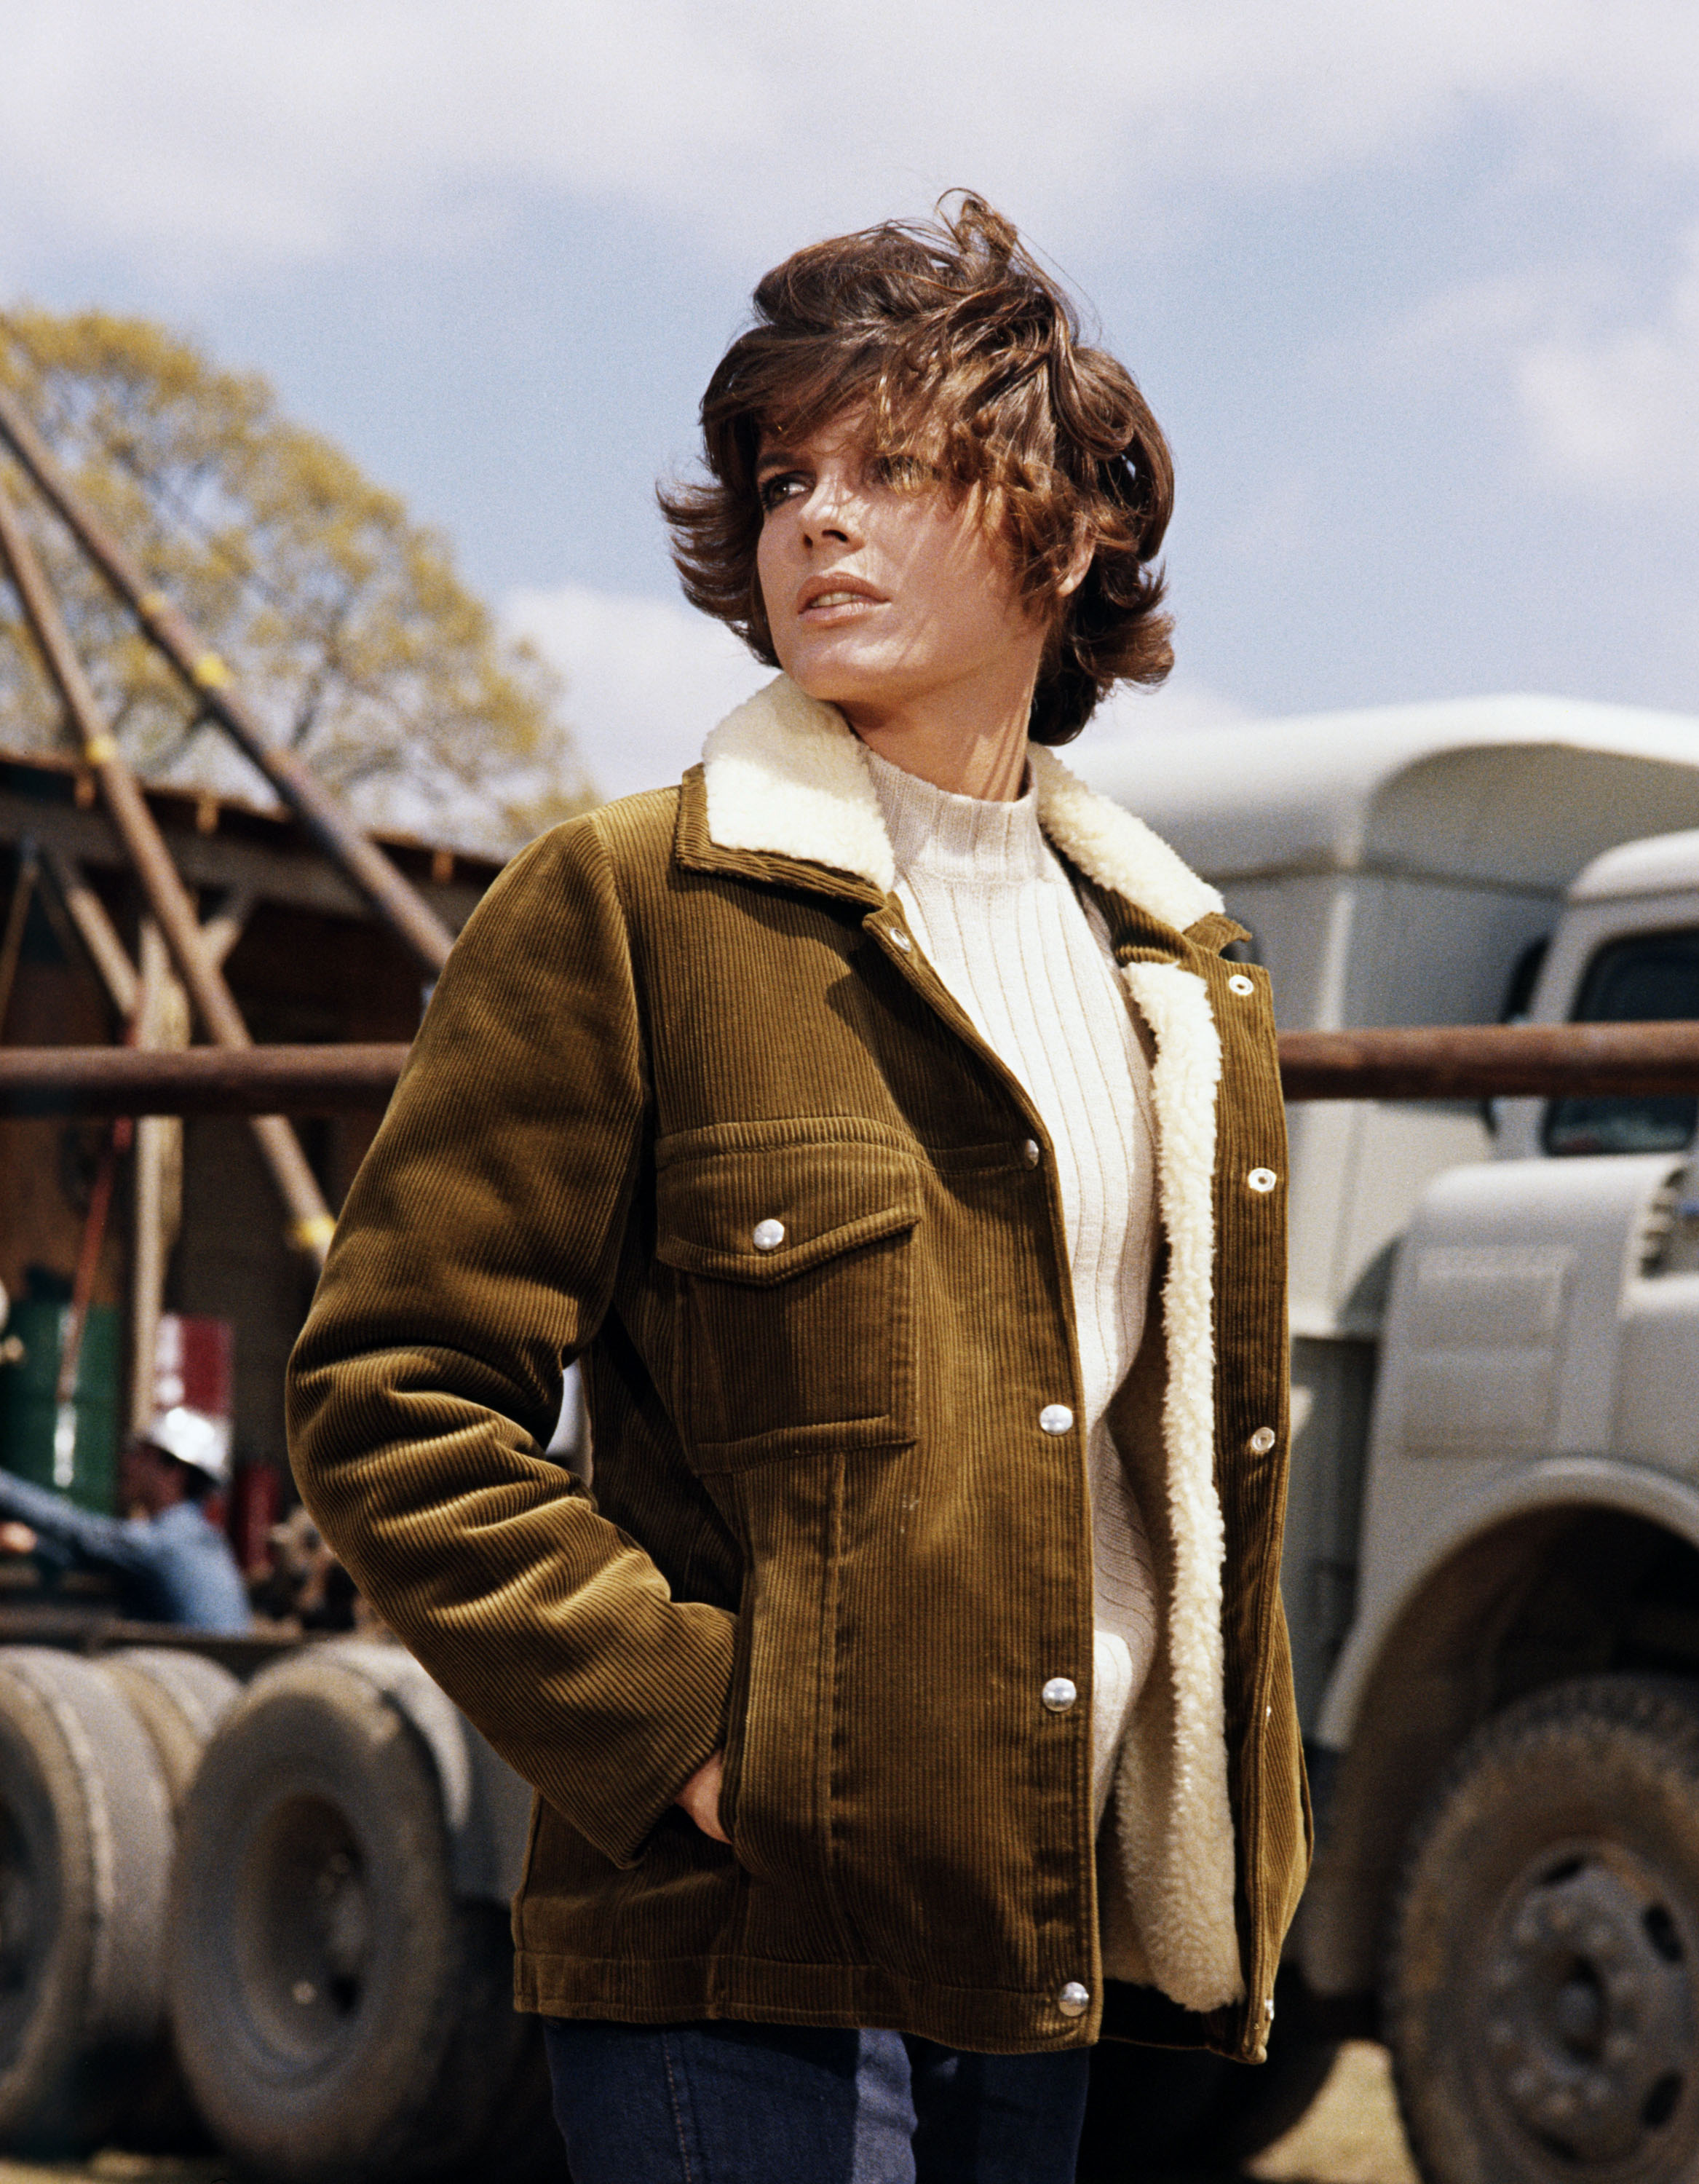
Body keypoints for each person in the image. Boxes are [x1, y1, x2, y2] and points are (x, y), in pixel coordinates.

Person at [288, 194, 1309, 2183]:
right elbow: (387, 1396)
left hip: (1048, 1933)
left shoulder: (1185, 981)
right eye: (784, 478)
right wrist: (697, 1739)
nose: (815, 519)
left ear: (1072, 524)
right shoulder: (629, 907)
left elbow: (1164, 1482)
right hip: (731, 1952)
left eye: (893, 466)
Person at [0, 1404, 251, 1632]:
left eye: (142, 1454)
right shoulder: (204, 1540)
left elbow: (76, 1530)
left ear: (175, 1471)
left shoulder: (163, 1544)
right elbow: (98, 1555)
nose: (128, 1463)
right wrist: (36, 1544)